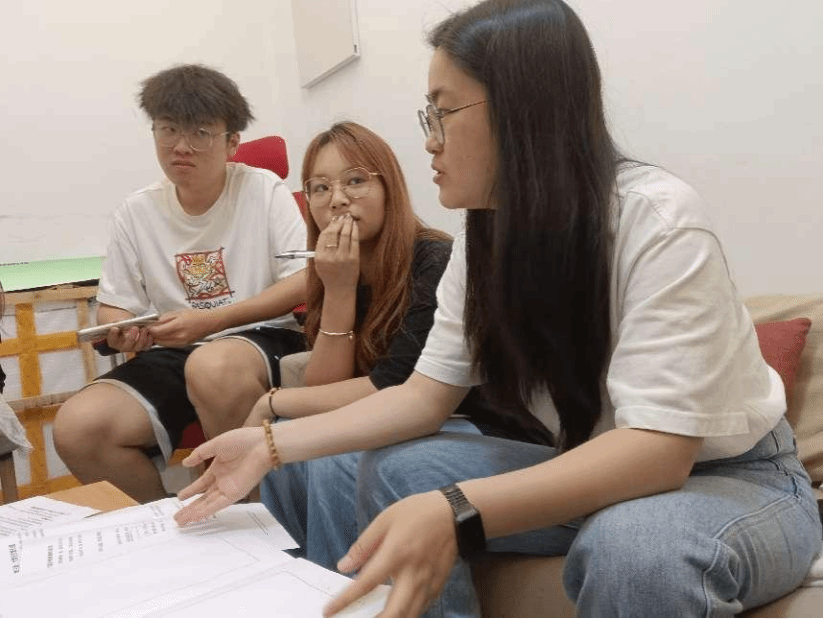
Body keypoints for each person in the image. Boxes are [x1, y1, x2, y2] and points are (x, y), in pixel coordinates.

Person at [174, 1, 822, 616]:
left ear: (523, 109)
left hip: (731, 476)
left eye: (442, 112)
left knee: (635, 546)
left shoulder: (657, 219)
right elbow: (420, 397)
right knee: (399, 467)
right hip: (585, 456)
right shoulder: (481, 237)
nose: (429, 142)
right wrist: (268, 443)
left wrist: (456, 507)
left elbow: (658, 452)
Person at [53, 64, 307, 503]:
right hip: (176, 351)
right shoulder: (136, 211)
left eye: (201, 133)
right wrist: (124, 328)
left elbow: (304, 280)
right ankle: (169, 528)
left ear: (232, 143)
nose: (181, 146)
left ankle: (256, 522)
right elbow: (115, 305)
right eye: (168, 129)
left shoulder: (263, 190)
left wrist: (213, 321)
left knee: (211, 367)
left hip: (261, 338)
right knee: (78, 427)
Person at [241, 121, 454, 562]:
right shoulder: (332, 267)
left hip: (456, 420)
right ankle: (297, 572)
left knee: (318, 449)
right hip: (383, 418)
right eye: (320, 188)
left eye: (355, 181)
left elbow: (394, 387)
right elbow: (325, 387)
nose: (337, 199)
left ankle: (335, 584)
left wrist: (271, 400)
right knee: (286, 440)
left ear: (389, 186)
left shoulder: (434, 259)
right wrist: (339, 289)